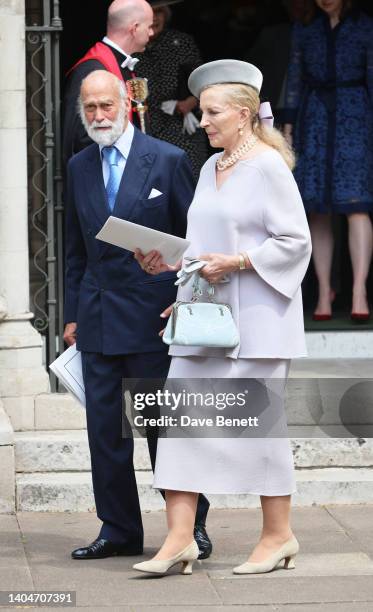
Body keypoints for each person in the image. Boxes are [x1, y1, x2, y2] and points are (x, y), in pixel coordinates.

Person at [133, 59, 312, 576]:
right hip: (203, 322)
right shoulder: (211, 167)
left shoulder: (268, 167)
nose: (202, 121)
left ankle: (279, 537)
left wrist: (236, 262)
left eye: (212, 113)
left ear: (242, 115)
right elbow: (205, 246)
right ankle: (178, 539)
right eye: (204, 113)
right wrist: (176, 271)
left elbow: (294, 242)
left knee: (259, 432)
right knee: (181, 427)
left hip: (258, 323)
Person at [63, 70, 211, 560]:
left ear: (126, 101)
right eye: (90, 109)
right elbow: (73, 251)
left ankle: (190, 526)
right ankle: (119, 530)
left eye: (106, 105)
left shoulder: (167, 159)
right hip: (97, 317)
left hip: (152, 318)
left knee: (161, 430)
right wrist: (71, 315)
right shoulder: (79, 165)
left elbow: (195, 242)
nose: (99, 116)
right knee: (105, 436)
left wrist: (187, 300)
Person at [283, 0, 373, 321]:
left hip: (356, 116)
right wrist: (289, 125)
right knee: (316, 208)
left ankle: (359, 291)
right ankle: (323, 292)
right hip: (315, 118)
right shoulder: (305, 27)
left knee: (356, 205)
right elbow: (294, 76)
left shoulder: (365, 25)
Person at [62, 0, 154, 168]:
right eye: (149, 26)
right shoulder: (92, 70)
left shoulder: (123, 65)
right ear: (134, 28)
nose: (152, 32)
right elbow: (82, 139)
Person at [135, 0, 209, 178]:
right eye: (149, 13)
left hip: (180, 129)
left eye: (159, 12)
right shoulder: (131, 45)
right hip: (144, 128)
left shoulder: (181, 42)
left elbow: (205, 82)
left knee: (186, 182)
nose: (154, 18)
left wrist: (193, 101)